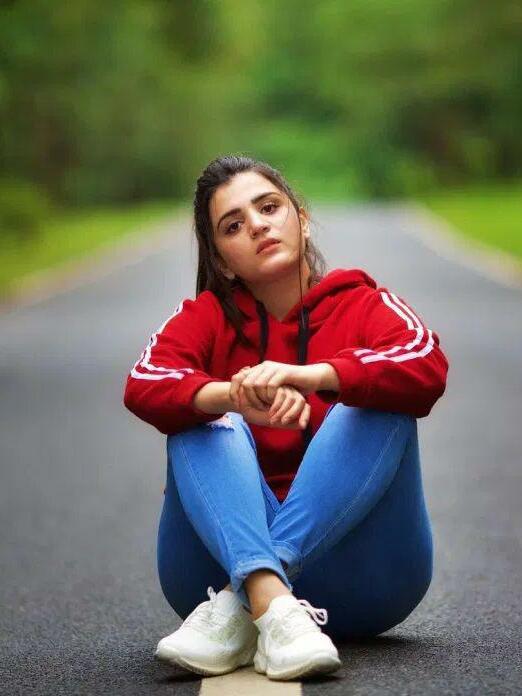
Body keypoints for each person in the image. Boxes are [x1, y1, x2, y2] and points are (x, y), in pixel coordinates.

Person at [123, 155, 449, 681]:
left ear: (302, 219)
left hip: (369, 578)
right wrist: (231, 395)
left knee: (377, 398)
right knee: (203, 414)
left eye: (269, 207)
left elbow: (426, 363)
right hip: (203, 573)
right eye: (233, 225)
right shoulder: (204, 317)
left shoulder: (364, 304)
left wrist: (315, 376)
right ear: (222, 262)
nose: (257, 225)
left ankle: (250, 593)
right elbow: (144, 382)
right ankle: (268, 598)